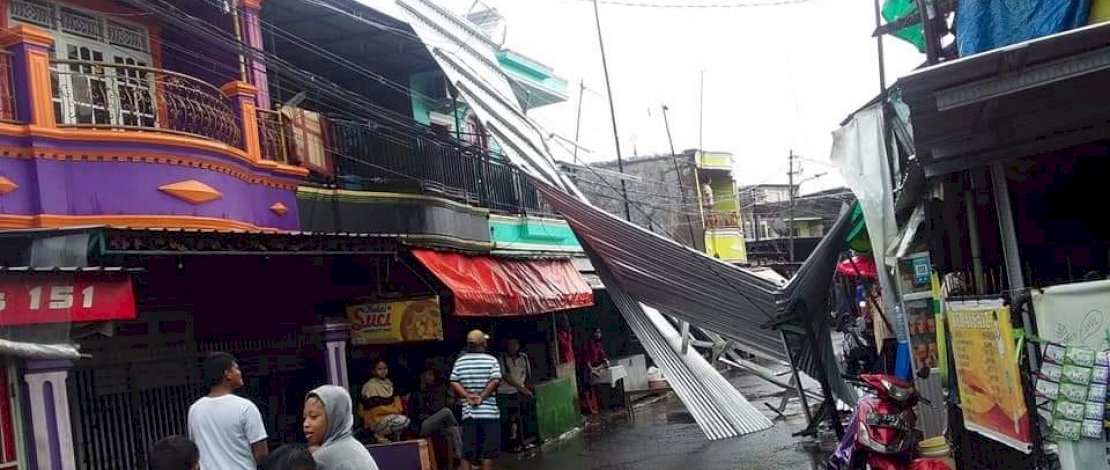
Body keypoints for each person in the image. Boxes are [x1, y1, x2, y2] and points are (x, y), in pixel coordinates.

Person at [188, 352, 268, 470]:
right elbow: (262, 454)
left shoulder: (195, 409)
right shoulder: (245, 407)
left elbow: (195, 451)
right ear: (227, 374)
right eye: (236, 368)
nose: (240, 373)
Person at [450, 330, 502, 470]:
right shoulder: (491, 360)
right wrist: (482, 396)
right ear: (483, 343)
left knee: (467, 454)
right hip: (489, 414)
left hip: (469, 415)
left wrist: (467, 396)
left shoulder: (460, 362)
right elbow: (495, 380)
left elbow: (454, 381)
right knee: (488, 454)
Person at [304, 385, 380, 470]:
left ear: (334, 417)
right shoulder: (355, 447)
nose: (306, 424)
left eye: (313, 416)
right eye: (304, 417)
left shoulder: (322, 459)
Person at [412, 368, 464, 463]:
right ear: (422, 376)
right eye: (429, 375)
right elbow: (418, 413)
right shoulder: (416, 393)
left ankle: (461, 460)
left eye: (433, 375)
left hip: (437, 425)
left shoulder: (434, 391)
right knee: (446, 411)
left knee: (455, 429)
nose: (432, 377)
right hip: (423, 425)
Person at [359, 359, 411, 443]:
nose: (383, 371)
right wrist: (392, 411)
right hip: (375, 421)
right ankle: (378, 434)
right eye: (380, 369)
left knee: (404, 420)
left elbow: (397, 404)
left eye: (385, 368)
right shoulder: (370, 386)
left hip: (391, 417)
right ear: (374, 371)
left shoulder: (389, 383)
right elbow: (374, 410)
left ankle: (394, 437)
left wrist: (395, 411)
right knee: (400, 420)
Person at [497, 338, 535, 452]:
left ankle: (522, 442)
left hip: (520, 391)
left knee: (521, 418)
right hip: (505, 392)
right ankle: (510, 445)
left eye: (514, 344)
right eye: (510, 345)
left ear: (518, 345)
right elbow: (506, 377)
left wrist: (526, 389)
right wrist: (522, 389)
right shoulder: (502, 358)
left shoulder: (523, 358)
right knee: (508, 420)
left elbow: (528, 374)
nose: (512, 347)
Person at [579, 328, 610, 415]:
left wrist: (605, 361)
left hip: (596, 366)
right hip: (587, 367)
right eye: (597, 332)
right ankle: (590, 409)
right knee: (587, 388)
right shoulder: (589, 343)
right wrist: (591, 369)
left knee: (607, 363)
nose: (599, 334)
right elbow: (586, 359)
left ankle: (595, 370)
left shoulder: (599, 344)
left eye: (600, 332)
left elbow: (602, 355)